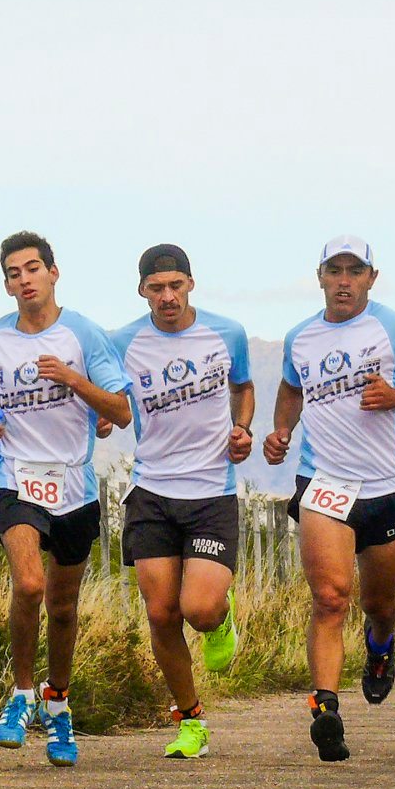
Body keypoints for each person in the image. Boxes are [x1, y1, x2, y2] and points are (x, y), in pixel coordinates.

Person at [262, 236, 395, 762]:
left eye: (355, 271)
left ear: (372, 278)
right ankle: (326, 709)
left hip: (386, 487)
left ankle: (380, 646)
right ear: (320, 277)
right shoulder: (300, 337)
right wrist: (282, 430)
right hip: (324, 482)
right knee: (330, 598)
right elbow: (291, 387)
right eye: (335, 270)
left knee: (379, 604)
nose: (344, 281)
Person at [0, 231, 133, 767]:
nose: (24, 279)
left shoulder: (83, 334)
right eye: (14, 273)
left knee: (61, 606)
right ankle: (20, 695)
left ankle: (58, 705)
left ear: (53, 273)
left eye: (33, 268)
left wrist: (73, 379)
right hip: (14, 475)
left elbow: (120, 410)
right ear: (7, 286)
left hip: (73, 484)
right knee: (29, 583)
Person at [110, 244, 254, 760]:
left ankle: (220, 616)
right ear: (142, 291)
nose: (167, 297)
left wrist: (242, 429)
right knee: (161, 613)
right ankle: (191, 720)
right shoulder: (122, 343)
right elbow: (109, 399)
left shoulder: (227, 332)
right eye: (156, 288)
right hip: (151, 489)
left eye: (175, 285)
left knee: (199, 608)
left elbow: (243, 387)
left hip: (211, 490)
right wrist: (103, 416)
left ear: (191, 283)